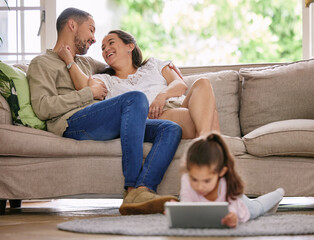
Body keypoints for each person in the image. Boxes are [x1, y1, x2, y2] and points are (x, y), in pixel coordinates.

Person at [27, 7, 183, 215]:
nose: (93, 39)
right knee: (134, 99)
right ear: (72, 25)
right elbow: (43, 107)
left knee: (170, 129)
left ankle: (143, 190)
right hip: (70, 123)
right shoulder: (42, 63)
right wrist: (87, 94)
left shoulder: (86, 63)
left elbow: (123, 63)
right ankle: (130, 188)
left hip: (100, 120)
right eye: (91, 30)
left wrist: (168, 66)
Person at [57, 30, 220, 139]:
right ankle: (209, 148)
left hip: (178, 103)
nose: (106, 49)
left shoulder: (153, 64)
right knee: (211, 118)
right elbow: (84, 86)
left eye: (111, 43)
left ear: (130, 46)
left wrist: (162, 95)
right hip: (157, 116)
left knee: (203, 83)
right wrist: (69, 61)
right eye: (103, 48)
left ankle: (204, 146)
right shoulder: (106, 79)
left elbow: (180, 84)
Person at [180, 132, 284, 228]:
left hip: (239, 204)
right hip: (230, 199)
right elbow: (186, 205)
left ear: (221, 172)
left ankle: (278, 194)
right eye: (194, 179)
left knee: (258, 207)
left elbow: (232, 210)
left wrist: (232, 216)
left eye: (206, 181)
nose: (199, 186)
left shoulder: (225, 183)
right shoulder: (186, 178)